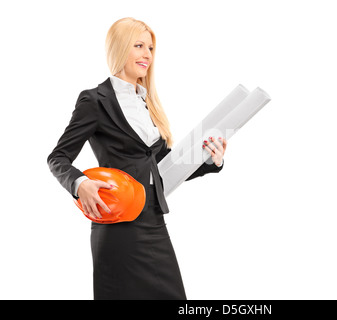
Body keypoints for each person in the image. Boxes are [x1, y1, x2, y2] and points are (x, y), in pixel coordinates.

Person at [47, 17, 227, 300]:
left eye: (151, 48)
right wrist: (79, 184)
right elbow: (58, 157)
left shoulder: (147, 102)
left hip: (154, 222)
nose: (147, 55)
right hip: (118, 225)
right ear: (119, 47)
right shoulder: (94, 101)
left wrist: (210, 161)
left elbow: (162, 166)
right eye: (139, 45)